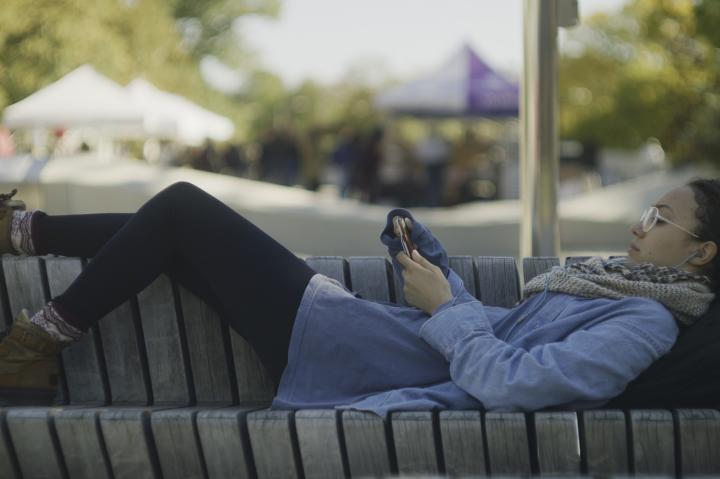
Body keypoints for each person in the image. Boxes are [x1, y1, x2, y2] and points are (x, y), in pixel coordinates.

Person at [0, 179, 718, 415]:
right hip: (358, 335)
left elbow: (513, 380)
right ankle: (24, 243)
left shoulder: (646, 321)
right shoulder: (611, 288)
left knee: (185, 208)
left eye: (660, 218)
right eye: (646, 211)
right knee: (172, 226)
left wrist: (444, 305)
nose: (638, 224)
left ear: (702, 252)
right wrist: (429, 261)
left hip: (352, 353)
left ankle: (34, 329)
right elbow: (504, 335)